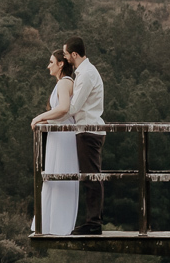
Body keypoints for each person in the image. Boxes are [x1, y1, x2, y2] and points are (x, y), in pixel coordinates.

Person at [30, 49, 79, 235]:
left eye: (51, 62)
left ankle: (59, 225)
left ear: (60, 64)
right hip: (57, 136)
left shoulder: (65, 83)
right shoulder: (61, 84)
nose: (48, 65)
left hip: (64, 137)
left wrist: (39, 117)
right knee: (52, 176)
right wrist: (44, 121)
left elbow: (64, 109)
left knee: (61, 176)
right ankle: (50, 223)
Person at [63, 36, 105, 235]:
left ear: (74, 54)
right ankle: (91, 221)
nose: (64, 58)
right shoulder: (84, 72)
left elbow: (74, 107)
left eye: (65, 54)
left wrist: (54, 113)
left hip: (89, 130)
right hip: (86, 129)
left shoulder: (87, 73)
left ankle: (94, 223)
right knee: (89, 176)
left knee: (91, 177)